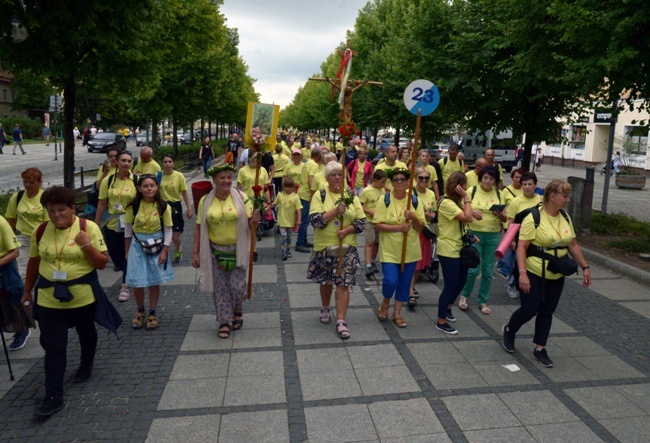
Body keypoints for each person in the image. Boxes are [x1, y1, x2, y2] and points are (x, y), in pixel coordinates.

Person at [22, 186, 119, 417]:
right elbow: (34, 263)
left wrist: (85, 244)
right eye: (51, 211)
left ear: (73, 208)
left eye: (62, 210)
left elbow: (101, 263)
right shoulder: (40, 231)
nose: (56, 216)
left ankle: (86, 365)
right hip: (49, 298)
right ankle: (53, 396)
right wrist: (27, 291)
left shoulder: (88, 228)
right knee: (54, 347)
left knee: (86, 332)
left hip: (82, 296)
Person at [502, 180, 591, 368]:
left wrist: (585, 267)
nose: (568, 200)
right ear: (552, 197)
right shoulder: (534, 217)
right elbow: (521, 248)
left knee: (547, 310)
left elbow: (572, 244)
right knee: (529, 309)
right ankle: (510, 330)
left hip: (556, 273)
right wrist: (523, 273)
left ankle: (540, 348)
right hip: (532, 271)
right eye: (565, 196)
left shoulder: (565, 217)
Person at [192, 164, 259, 339]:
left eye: (229, 177)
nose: (226, 181)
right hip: (214, 251)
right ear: (214, 180)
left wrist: (256, 220)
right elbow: (199, 228)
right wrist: (195, 253)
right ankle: (224, 321)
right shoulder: (205, 201)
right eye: (222, 177)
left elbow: (252, 225)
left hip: (239, 249)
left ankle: (237, 308)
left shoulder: (242, 198)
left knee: (237, 286)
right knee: (220, 288)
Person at [307, 162, 365, 339]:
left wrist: (347, 230)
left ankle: (341, 320)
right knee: (326, 280)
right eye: (334, 174)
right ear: (326, 178)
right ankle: (325, 306)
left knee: (343, 282)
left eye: (340, 174)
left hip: (346, 247)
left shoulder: (350, 195)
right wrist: (334, 211)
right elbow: (315, 221)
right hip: (324, 247)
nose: (338, 177)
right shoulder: (320, 195)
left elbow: (362, 222)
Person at [374, 168, 425, 329]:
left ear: (408, 182)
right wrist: (398, 228)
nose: (400, 182)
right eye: (396, 179)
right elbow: (378, 224)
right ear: (391, 182)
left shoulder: (414, 200)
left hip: (409, 250)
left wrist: (414, 217)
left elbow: (421, 227)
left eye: (403, 179)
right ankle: (385, 301)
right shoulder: (385, 200)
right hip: (390, 250)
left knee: (404, 283)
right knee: (390, 281)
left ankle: (397, 313)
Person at [125, 175, 174, 330]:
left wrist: (165, 251)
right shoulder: (132, 206)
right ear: (139, 188)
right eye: (145, 186)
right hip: (137, 245)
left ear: (157, 187)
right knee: (136, 280)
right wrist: (127, 251)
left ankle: (152, 312)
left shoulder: (163, 206)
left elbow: (168, 230)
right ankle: (140, 310)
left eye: (152, 185)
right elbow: (127, 230)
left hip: (157, 245)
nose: (149, 189)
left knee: (154, 280)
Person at [458, 166, 506, 315]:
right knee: (473, 269)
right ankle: (464, 295)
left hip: (492, 234)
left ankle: (482, 301)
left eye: (491, 179)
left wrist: (500, 215)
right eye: (485, 178)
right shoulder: (471, 191)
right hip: (474, 234)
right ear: (480, 178)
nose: (488, 181)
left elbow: (505, 218)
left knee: (487, 271)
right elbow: (460, 208)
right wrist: (471, 211)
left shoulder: (499, 193)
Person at [95, 151, 137, 302]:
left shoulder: (135, 179)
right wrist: (96, 224)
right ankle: (129, 273)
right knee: (115, 254)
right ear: (117, 162)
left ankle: (125, 285)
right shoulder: (109, 180)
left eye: (129, 161)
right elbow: (102, 203)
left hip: (131, 223)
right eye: (123, 160)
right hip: (113, 222)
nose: (126, 163)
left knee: (128, 254)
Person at [435, 172, 474, 334]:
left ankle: (448, 307)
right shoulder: (445, 202)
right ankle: (441, 320)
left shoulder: (455, 202)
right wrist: (467, 198)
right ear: (457, 186)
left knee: (461, 281)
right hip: (448, 249)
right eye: (464, 185)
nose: (466, 188)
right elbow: (467, 217)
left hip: (460, 248)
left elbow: (465, 218)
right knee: (450, 286)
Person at [504, 171, 541, 298]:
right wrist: (511, 241)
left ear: (535, 185)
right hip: (520, 238)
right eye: (524, 184)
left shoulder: (541, 200)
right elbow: (511, 222)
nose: (527, 187)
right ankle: (513, 284)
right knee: (517, 263)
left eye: (530, 184)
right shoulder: (516, 201)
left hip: (536, 238)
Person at [0, 214, 34, 352]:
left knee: (12, 302)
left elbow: (15, 252)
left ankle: (22, 331)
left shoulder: (1, 223)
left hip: (5, 269)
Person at [409, 167, 437, 305]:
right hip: (413, 230)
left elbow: (434, 212)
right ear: (415, 178)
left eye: (427, 178)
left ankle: (411, 287)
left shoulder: (431, 194)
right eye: (421, 178)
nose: (424, 180)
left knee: (419, 264)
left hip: (425, 230)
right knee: (412, 262)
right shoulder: (410, 193)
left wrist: (431, 215)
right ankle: (409, 290)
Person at [160, 154, 194, 263]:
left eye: (170, 161)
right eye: (165, 162)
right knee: (162, 233)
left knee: (175, 235)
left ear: (173, 163)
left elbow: (184, 193)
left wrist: (189, 208)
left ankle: (178, 248)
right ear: (162, 163)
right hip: (162, 207)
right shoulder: (158, 176)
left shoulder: (179, 176)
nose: (167, 164)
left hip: (175, 206)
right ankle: (161, 253)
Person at [360, 170, 387, 278]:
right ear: (375, 180)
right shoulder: (367, 191)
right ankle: (367, 265)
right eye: (382, 182)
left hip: (379, 221)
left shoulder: (382, 190)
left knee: (377, 242)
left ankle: (372, 260)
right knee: (370, 242)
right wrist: (370, 211)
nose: (383, 185)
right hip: (369, 221)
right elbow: (360, 205)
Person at [295, 147, 323, 252]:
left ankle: (304, 240)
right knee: (304, 221)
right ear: (318, 156)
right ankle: (300, 243)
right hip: (306, 194)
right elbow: (311, 179)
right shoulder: (314, 165)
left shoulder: (306, 163)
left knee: (304, 219)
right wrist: (314, 193)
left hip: (301, 192)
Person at [268, 177, 302, 260]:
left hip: (290, 221)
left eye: (290, 187)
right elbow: (274, 203)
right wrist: (268, 208)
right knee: (283, 236)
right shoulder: (280, 195)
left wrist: (299, 219)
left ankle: (288, 251)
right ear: (283, 187)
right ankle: (283, 252)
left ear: (293, 188)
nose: (287, 189)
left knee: (289, 238)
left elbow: (298, 209)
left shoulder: (295, 197)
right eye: (286, 187)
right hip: (282, 221)